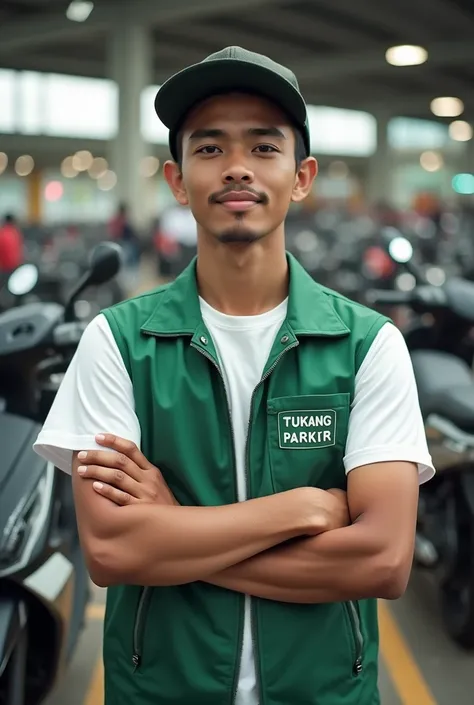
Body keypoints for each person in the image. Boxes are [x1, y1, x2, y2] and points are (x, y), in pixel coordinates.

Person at [33, 46, 435, 705]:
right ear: (176, 178)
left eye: (264, 148)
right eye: (211, 148)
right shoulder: (118, 342)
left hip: (324, 691)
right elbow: (112, 549)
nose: (238, 169)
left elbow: (383, 561)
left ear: (302, 176)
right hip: (161, 689)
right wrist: (299, 509)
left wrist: (175, 530)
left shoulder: (368, 345)